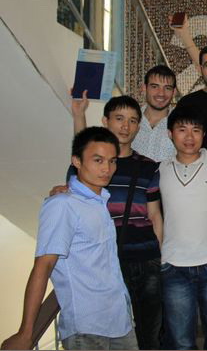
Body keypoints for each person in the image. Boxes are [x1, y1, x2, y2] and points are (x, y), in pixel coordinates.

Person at [1, 127, 137, 350]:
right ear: (77, 161)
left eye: (112, 161)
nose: (107, 169)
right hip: (87, 328)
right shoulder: (62, 205)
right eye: (98, 160)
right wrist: (26, 333)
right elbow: (43, 266)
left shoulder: (99, 201)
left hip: (120, 322)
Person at [67, 95, 163, 350]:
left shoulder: (148, 167)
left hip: (146, 258)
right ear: (105, 121)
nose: (125, 126)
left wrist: (160, 257)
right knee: (114, 332)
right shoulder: (92, 168)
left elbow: (155, 215)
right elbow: (82, 156)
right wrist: (78, 116)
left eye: (133, 120)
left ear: (139, 126)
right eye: (119, 119)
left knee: (149, 333)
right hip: (106, 262)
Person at [159, 106, 207, 350]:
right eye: (182, 130)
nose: (189, 136)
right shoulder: (160, 169)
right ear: (170, 134)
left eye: (196, 130)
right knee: (181, 342)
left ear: (204, 134)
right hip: (173, 267)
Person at [132, 65, 177, 162]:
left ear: (174, 92)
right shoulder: (130, 120)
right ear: (144, 88)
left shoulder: (180, 123)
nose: (161, 93)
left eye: (167, 88)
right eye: (154, 87)